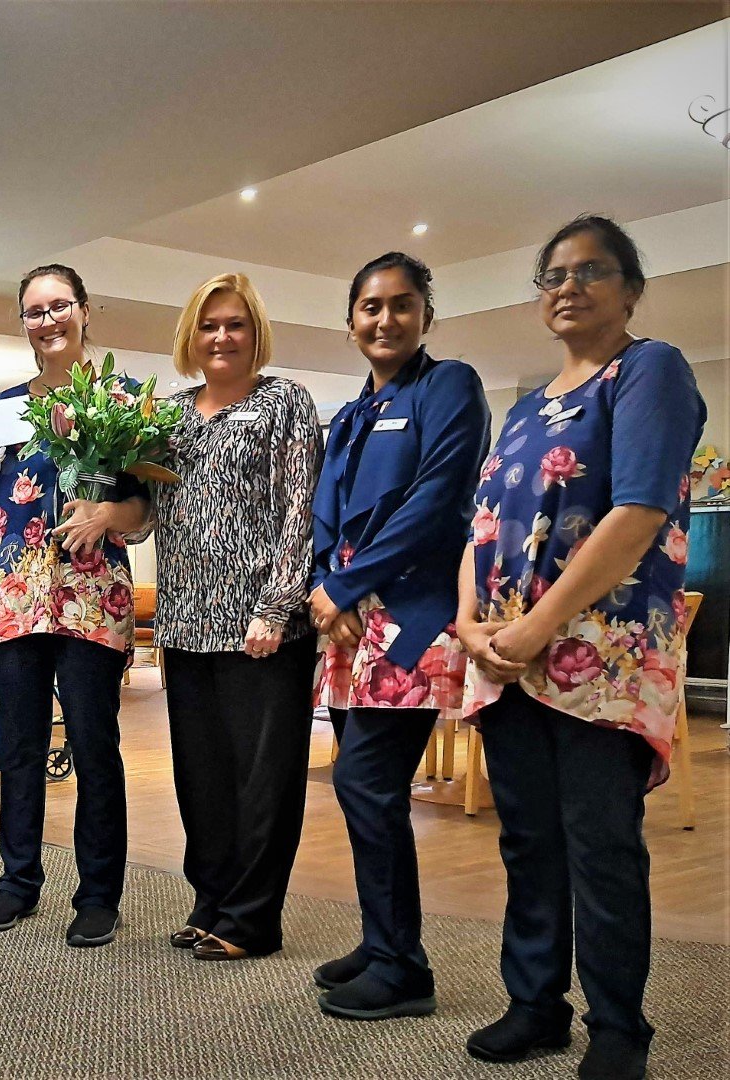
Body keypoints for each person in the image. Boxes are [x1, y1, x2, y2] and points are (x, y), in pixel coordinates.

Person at [458, 216, 704, 1080]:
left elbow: (638, 513)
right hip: (508, 657)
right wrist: (471, 624)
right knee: (528, 840)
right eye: (554, 274)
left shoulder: (650, 370)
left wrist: (534, 628)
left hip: (600, 656)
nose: (568, 286)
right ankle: (535, 1006)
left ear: (630, 289)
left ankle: (618, 1030)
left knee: (601, 845)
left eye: (592, 270)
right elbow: (482, 524)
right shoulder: (528, 407)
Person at [309, 252, 490, 1019]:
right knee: (363, 791)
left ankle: (403, 968)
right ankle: (381, 941)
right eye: (371, 307)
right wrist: (329, 583)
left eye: (402, 304)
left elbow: (436, 501)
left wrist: (346, 584)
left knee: (366, 783)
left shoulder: (448, 387)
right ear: (351, 321)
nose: (385, 319)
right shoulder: (352, 413)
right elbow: (323, 511)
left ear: (425, 315)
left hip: (410, 618)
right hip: (348, 623)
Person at [0, 264, 150, 949]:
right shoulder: (4, 408)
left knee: (93, 744)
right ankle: (17, 881)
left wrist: (106, 513)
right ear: (22, 322)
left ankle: (99, 895)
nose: (47, 321)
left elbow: (144, 509)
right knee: (19, 746)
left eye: (58, 306)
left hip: (91, 599)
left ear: (84, 310)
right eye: (34, 311)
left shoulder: (124, 399)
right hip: (18, 596)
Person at [151, 273, 322, 961]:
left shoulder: (285, 402)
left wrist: (275, 607)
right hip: (185, 624)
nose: (221, 336)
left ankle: (252, 919)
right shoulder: (167, 415)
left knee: (263, 781)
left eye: (236, 324)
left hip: (261, 629)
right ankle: (211, 901)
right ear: (190, 335)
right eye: (209, 324)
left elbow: (299, 510)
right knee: (202, 778)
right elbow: (144, 515)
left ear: (256, 334)